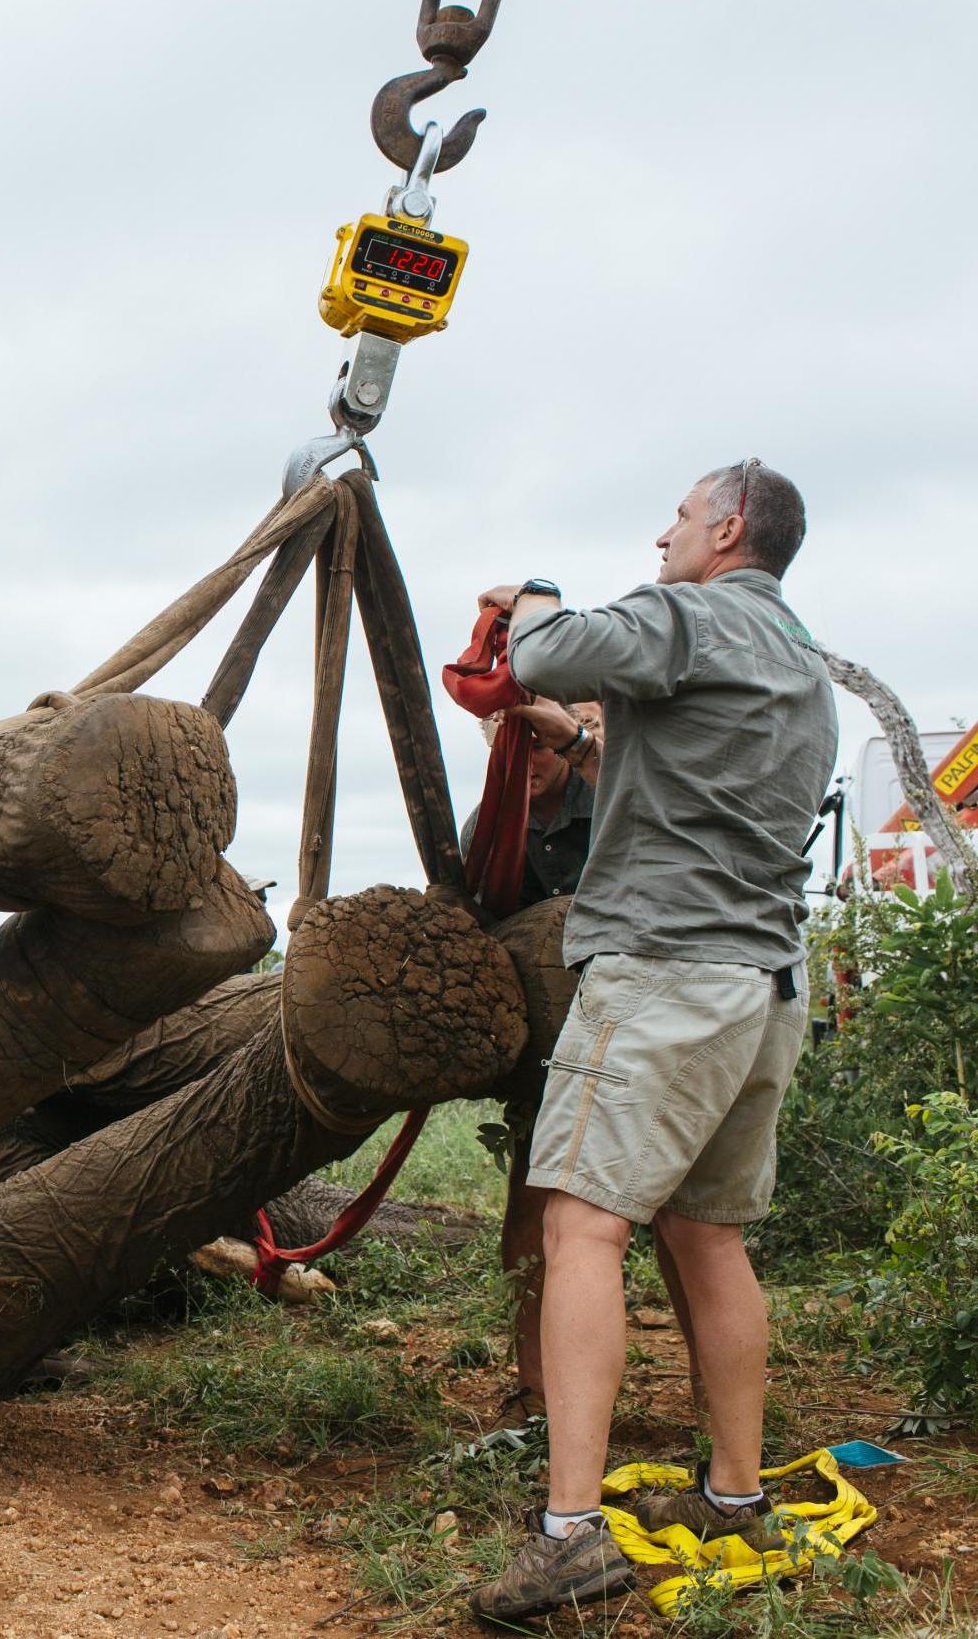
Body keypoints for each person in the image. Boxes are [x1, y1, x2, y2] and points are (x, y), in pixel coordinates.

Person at [467, 461, 838, 1625]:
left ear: (726, 528)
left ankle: (570, 1535)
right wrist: (575, 742)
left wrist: (527, 595)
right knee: (707, 1234)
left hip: (665, 973)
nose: (663, 533)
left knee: (583, 1225)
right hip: (764, 982)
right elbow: (677, 767)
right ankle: (734, 1497)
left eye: (679, 517)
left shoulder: (684, 612)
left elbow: (547, 649)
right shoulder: (797, 663)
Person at [461, 700, 706, 1434]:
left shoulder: (614, 796)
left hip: (650, 1036)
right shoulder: (487, 832)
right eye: (512, 749)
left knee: (680, 1215)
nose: (527, 763)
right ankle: (535, 1391)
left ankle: (707, 1388)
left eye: (538, 747)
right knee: (532, 1212)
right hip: (552, 1059)